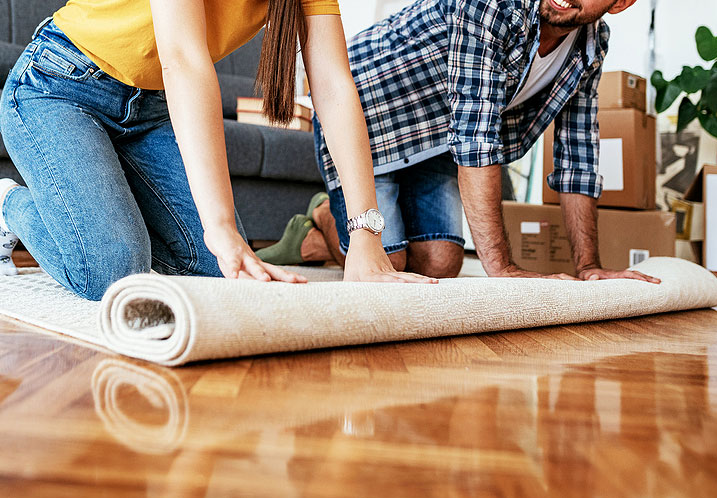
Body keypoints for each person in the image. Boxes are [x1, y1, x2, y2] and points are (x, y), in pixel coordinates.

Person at [0, 0, 433, 301]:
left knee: (222, 275)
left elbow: (334, 84)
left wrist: (366, 236)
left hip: (150, 109)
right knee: (113, 271)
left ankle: (96, 202)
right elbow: (183, 58)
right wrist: (220, 226)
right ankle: (7, 205)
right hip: (57, 88)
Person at [257, 0, 660, 285]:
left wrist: (589, 266)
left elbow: (579, 156)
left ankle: (326, 232)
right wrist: (502, 269)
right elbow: (476, 135)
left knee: (440, 263)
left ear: (621, 3)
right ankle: (327, 215)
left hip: (436, 137)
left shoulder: (591, 45)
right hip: (368, 115)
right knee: (388, 263)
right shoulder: (492, 5)